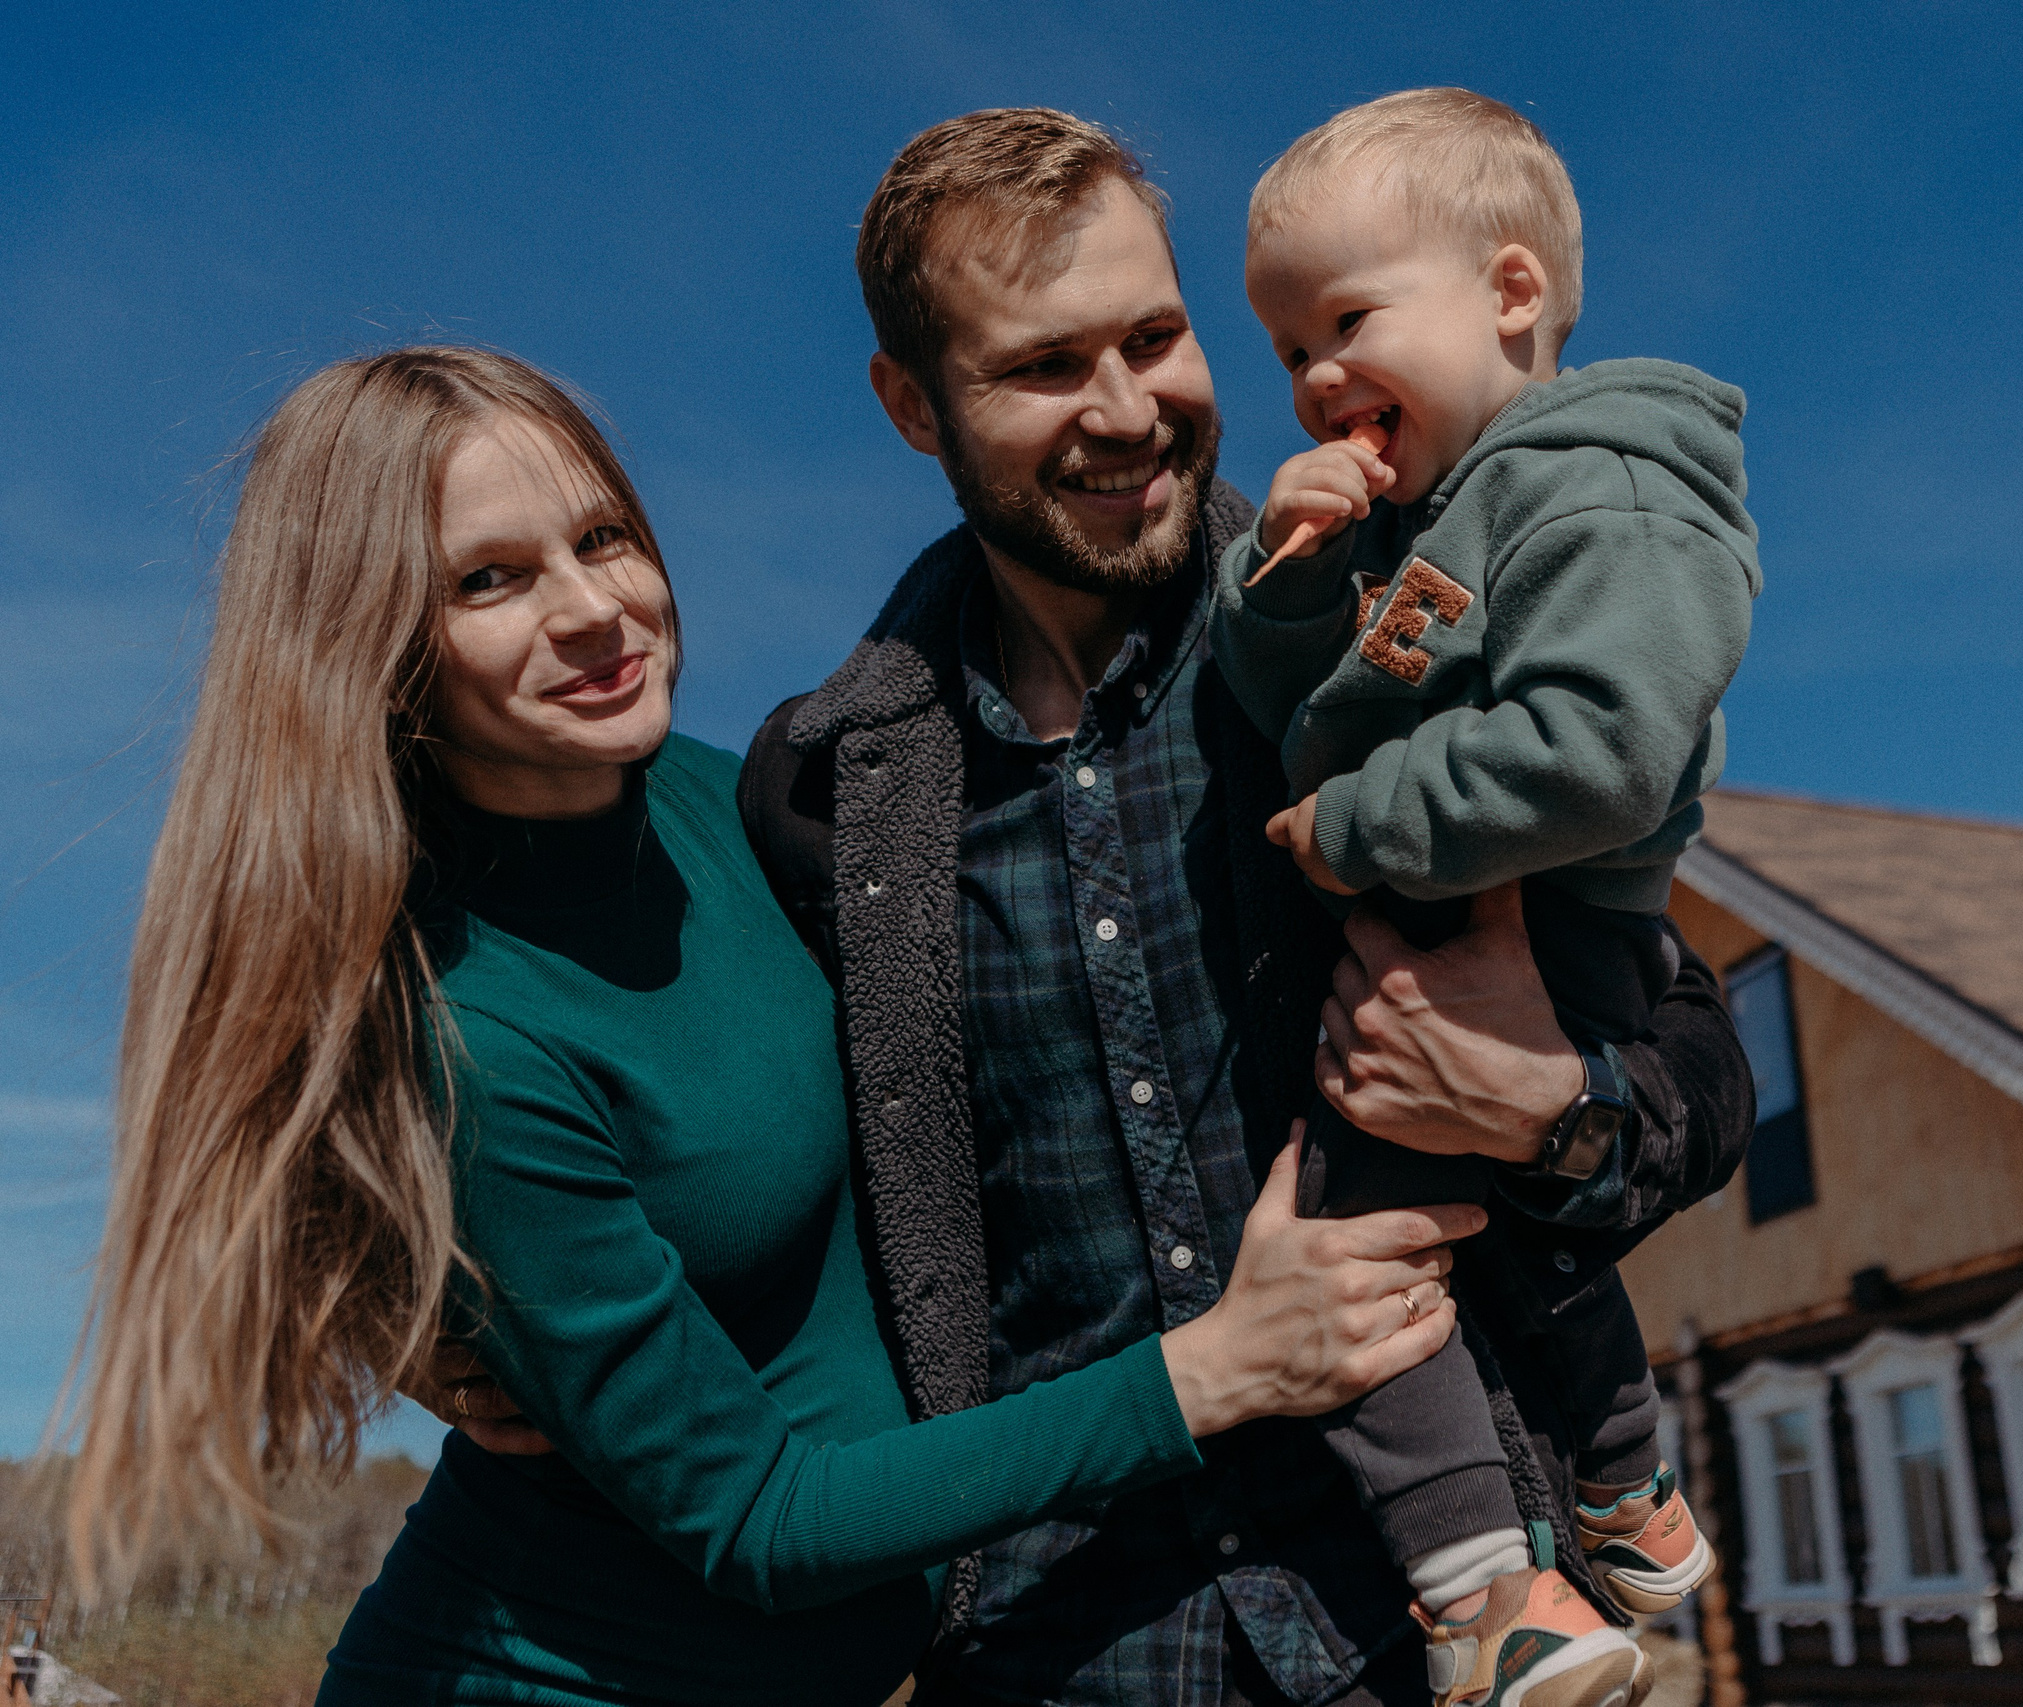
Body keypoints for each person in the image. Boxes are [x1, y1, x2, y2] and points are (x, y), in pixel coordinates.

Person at [61, 346, 1482, 1707]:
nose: (590, 610)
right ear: (373, 646)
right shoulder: (475, 1032)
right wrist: (1219, 1366)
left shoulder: (721, 801)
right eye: (489, 580)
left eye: (604, 538)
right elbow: (764, 1520)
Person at [728, 109, 1758, 1707]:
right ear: (912, 407)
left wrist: (1550, 1111)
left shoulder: (1375, 634)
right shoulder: (826, 795)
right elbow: (772, 1190)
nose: (1128, 410)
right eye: (1043, 367)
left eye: (1157, 336)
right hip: (1052, 1648)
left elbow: (1697, 1063)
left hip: (1441, 1636)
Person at [1209, 89, 1762, 1702]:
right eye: (1288, 345)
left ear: (1509, 296)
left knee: (1356, 1235)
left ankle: (1492, 1597)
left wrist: (1360, 826)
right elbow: (1302, 699)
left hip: (1553, 937)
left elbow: (1599, 754)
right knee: (1497, 1225)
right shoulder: (1432, 516)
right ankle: (1626, 1485)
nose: (1313, 376)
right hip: (1476, 926)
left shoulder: (1610, 495)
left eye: (1348, 319)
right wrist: (1293, 588)